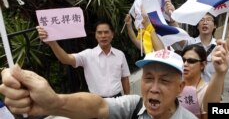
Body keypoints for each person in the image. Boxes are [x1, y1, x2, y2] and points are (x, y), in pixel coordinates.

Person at [0, 49, 197, 119]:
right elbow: (98, 105)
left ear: (180, 88)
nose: (153, 87)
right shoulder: (133, 106)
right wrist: (54, 103)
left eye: (164, 80)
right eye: (148, 78)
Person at [36, 21, 130, 98]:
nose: (103, 35)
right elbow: (65, 59)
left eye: (106, 32)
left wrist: (127, 98)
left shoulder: (120, 54)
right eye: (99, 33)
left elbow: (125, 78)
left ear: (112, 34)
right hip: (97, 101)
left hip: (119, 99)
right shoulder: (87, 55)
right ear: (96, 36)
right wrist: (52, 42)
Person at [165, 0, 217, 82]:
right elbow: (178, 33)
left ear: (215, 26)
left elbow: (220, 75)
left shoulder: (219, 47)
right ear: (197, 26)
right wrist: (172, 17)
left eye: (209, 19)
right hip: (190, 91)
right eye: (201, 20)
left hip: (210, 92)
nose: (205, 22)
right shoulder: (191, 43)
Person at [179, 42, 229, 119]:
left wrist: (219, 73)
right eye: (183, 60)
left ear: (203, 65)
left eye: (191, 61)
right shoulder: (173, 84)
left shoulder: (207, 90)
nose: (185, 64)